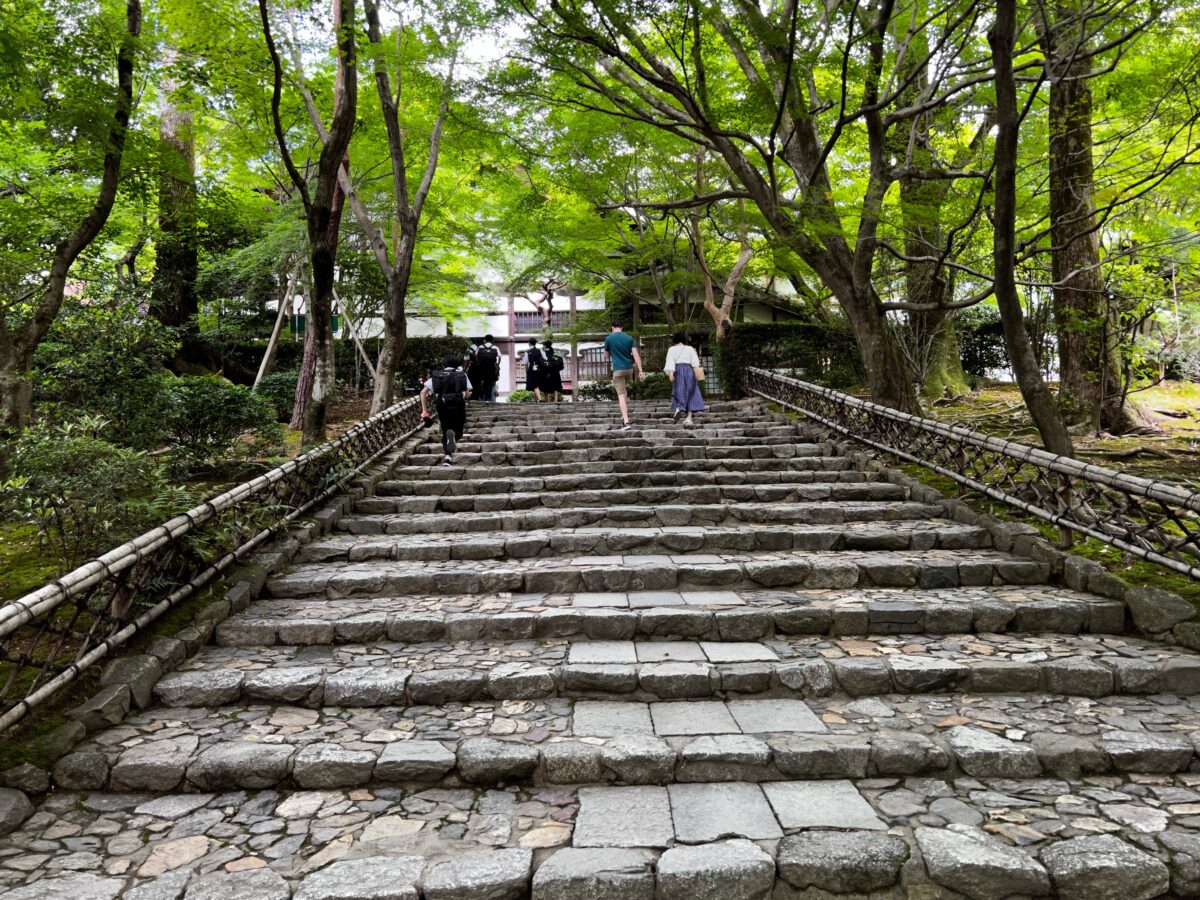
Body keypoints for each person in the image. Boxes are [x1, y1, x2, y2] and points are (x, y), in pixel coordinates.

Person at [420, 356, 472, 466]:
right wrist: (468, 395)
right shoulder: (462, 374)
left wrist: (425, 411)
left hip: (442, 404)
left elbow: (423, 392)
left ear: (444, 364)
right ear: (457, 365)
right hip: (458, 403)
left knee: (446, 429)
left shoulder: (437, 375)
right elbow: (467, 394)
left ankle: (448, 457)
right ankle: (454, 437)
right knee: (458, 429)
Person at [603, 321, 643, 430]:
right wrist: (640, 370)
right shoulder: (629, 338)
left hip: (618, 370)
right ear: (622, 327)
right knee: (624, 390)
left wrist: (612, 351)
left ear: (612, 327)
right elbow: (635, 354)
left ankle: (626, 421)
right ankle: (623, 413)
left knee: (620, 394)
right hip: (629, 369)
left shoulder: (609, 339)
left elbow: (606, 356)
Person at [664, 331, 705, 426]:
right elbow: (695, 363)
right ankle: (689, 418)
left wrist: (670, 373)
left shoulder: (672, 349)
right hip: (689, 370)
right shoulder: (690, 349)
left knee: (679, 391)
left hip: (678, 370)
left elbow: (670, 362)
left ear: (675, 340)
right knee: (691, 393)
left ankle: (679, 408)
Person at [476, 335, 500, 402]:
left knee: (482, 382)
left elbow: (476, 355)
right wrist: (497, 365)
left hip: (482, 367)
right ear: (492, 340)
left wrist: (478, 364)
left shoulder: (480, 347)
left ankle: (482, 397)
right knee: (490, 382)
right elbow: (500, 356)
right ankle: (488, 398)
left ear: (485, 340)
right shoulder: (495, 347)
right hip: (491, 367)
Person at [525, 337, 546, 402]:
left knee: (535, 385)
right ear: (535, 343)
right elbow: (545, 358)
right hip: (540, 369)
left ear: (529, 343)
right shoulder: (540, 350)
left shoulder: (527, 352)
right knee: (537, 384)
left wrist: (527, 371)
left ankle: (539, 399)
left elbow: (525, 363)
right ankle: (536, 400)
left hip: (532, 369)